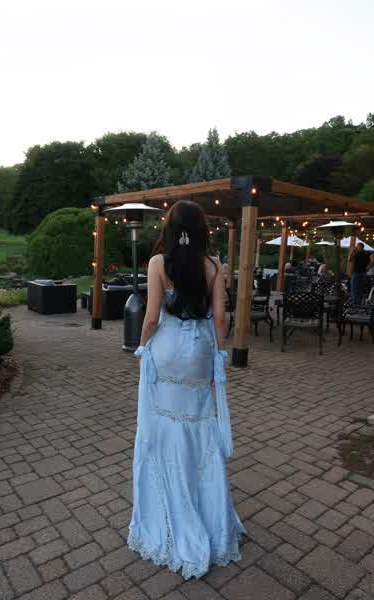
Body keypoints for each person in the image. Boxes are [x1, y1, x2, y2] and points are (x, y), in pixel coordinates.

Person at [128, 201, 245, 580]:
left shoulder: (157, 263)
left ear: (170, 228)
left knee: (164, 426)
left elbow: (151, 317)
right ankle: (206, 511)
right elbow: (221, 318)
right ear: (201, 231)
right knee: (199, 425)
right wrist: (218, 355)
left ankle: (170, 505)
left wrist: (141, 348)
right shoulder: (214, 266)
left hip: (166, 350)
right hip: (198, 353)